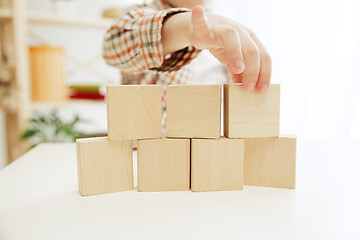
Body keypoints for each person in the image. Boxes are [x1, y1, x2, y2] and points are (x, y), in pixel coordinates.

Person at [102, 0, 272, 95]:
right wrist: (186, 28)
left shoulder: (229, 30)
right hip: (149, 154)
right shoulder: (138, 15)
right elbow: (113, 47)